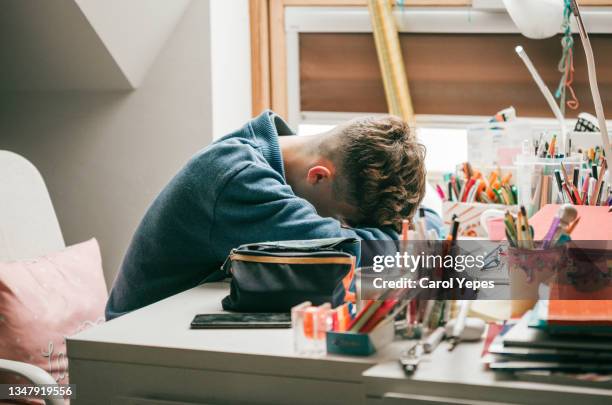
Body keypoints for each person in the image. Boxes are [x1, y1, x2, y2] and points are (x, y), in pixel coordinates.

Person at [105, 110, 441, 319]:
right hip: (133, 343)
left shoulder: (282, 156)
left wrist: (421, 225)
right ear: (319, 176)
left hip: (185, 322)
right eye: (341, 219)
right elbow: (343, 251)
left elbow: (424, 224)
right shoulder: (237, 179)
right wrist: (421, 238)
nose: (338, 226)